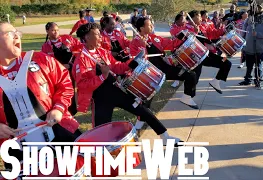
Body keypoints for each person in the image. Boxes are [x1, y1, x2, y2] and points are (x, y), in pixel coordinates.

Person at [72, 22, 182, 145]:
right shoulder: (81, 59)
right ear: (87, 37)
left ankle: (165, 137)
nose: (101, 37)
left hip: (116, 91)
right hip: (101, 99)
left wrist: (131, 63)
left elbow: (115, 66)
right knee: (100, 131)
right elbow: (82, 85)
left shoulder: (102, 52)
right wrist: (103, 76)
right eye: (97, 34)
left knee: (143, 111)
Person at [0, 21, 82, 169]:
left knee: (82, 166)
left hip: (58, 128)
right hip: (16, 146)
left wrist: (58, 107)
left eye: (17, 33)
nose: (17, 36)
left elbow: (64, 83)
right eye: (10, 34)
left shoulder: (41, 59)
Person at [130, 17, 199, 109]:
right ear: (142, 28)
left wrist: (182, 36)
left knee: (190, 75)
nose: (152, 26)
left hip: (164, 68)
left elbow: (170, 44)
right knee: (148, 97)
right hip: (151, 74)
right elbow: (136, 61)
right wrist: (142, 47)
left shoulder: (154, 38)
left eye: (152, 24)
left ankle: (186, 97)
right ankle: (141, 120)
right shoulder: (135, 42)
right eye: (149, 25)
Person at [186, 10, 231, 94]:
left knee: (226, 62)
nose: (201, 18)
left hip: (204, 54)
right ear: (192, 19)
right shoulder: (186, 27)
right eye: (199, 16)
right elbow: (188, 41)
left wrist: (223, 31)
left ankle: (216, 82)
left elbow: (211, 35)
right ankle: (187, 97)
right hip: (194, 57)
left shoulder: (201, 26)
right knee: (194, 77)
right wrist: (195, 32)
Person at [41, 22, 82, 115]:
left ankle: (76, 108)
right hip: (59, 73)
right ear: (47, 31)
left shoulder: (68, 39)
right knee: (64, 90)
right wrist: (61, 67)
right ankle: (67, 109)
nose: (55, 32)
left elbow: (80, 47)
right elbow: (47, 62)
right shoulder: (45, 46)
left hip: (73, 69)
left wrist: (74, 62)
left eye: (57, 30)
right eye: (52, 30)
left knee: (76, 88)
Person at [238, 4, 263, 89]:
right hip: (249, 47)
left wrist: (258, 34)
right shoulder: (249, 18)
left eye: (258, 8)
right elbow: (243, 31)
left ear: (261, 9)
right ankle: (247, 80)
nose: (255, 9)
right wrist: (241, 42)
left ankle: (258, 80)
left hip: (259, 47)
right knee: (249, 65)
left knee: (258, 65)